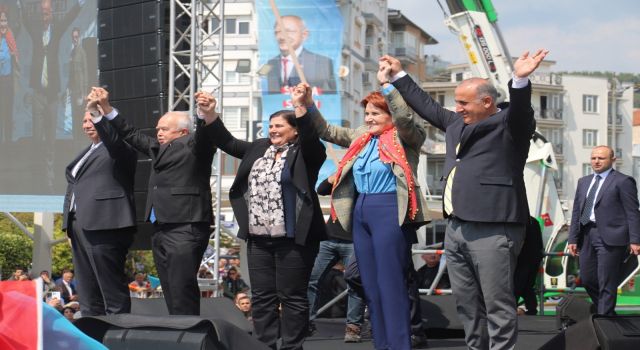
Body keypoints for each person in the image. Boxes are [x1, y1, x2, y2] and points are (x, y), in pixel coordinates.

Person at [381, 49, 548, 349]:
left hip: (494, 228)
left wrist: (520, 80)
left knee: (497, 305)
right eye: (455, 102)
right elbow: (426, 105)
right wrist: (398, 75)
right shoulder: (457, 124)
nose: (456, 108)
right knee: (468, 306)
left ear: (487, 102)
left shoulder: (511, 125)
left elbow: (522, 111)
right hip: (456, 228)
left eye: (463, 102)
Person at [309, 61, 430, 350]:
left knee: (391, 282)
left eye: (376, 113)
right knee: (370, 284)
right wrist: (307, 105)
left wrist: (388, 85)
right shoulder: (362, 137)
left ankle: (400, 344)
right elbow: (326, 130)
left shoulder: (406, 137)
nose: (370, 118)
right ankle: (382, 343)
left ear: (390, 115)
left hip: (389, 208)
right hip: (361, 210)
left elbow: (404, 117)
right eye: (366, 114)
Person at [198, 84, 326, 350]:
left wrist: (301, 106)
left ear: (295, 130)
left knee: (291, 296)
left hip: (294, 238)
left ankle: (292, 346)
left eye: (280, 126)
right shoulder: (258, 148)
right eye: (270, 126)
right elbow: (228, 142)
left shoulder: (307, 153)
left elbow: (312, 137)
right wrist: (210, 114)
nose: (273, 130)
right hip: (259, 237)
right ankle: (264, 345)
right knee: (263, 296)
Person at [88, 86, 218, 315]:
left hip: (185, 225)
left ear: (183, 133)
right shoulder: (158, 148)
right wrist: (106, 108)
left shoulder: (195, 147)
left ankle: (189, 333)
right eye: (158, 128)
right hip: (160, 227)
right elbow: (130, 133)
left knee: (181, 285)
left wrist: (204, 113)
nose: (158, 132)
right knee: (168, 286)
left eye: (165, 129)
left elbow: (205, 134)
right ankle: (178, 329)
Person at [61, 99, 137, 315]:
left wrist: (99, 111)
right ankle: (91, 336)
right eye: (85, 120)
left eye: (92, 119)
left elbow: (114, 141)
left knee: (110, 288)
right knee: (87, 289)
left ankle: (118, 338)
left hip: (105, 224)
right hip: (80, 225)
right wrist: (68, 223)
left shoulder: (120, 148)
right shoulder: (87, 151)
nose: (87, 124)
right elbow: (74, 185)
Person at [568, 146, 640, 315]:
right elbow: (577, 212)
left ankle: (604, 320)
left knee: (607, 280)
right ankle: (608, 314)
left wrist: (635, 240)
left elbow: (633, 212)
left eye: (601, 158)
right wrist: (572, 238)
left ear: (612, 160)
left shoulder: (623, 181)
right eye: (594, 158)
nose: (596, 161)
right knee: (587, 279)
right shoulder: (583, 182)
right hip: (586, 235)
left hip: (611, 236)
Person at [308, 175, 365, 343]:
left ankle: (353, 327)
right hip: (329, 238)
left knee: (355, 283)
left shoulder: (366, 177)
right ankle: (306, 323)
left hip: (354, 240)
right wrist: (333, 177)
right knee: (312, 279)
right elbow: (321, 189)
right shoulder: (342, 175)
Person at [264, 15, 336, 94]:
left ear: (304, 35)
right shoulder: (271, 63)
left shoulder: (322, 63)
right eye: (277, 32)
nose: (281, 37)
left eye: (288, 31)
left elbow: (329, 99)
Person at [514, 216, 544, 315]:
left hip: (521, 258)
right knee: (528, 286)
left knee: (517, 285)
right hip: (534, 259)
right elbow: (540, 243)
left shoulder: (518, 220)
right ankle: (532, 309)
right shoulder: (534, 221)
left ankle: (512, 307)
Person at [0, 5, 18, 143]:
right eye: (1, 21)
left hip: (7, 82)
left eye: (5, 21)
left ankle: (8, 142)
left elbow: (21, 25)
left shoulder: (10, 36)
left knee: (7, 112)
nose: (3, 24)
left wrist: (13, 55)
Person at [68, 27, 88, 140]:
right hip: (73, 92)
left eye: (76, 37)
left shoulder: (82, 52)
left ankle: (81, 141)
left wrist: (84, 92)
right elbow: (71, 74)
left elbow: (85, 72)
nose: (75, 39)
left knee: (81, 117)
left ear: (79, 38)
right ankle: (76, 141)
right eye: (73, 37)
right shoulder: (71, 53)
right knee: (75, 118)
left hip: (81, 91)